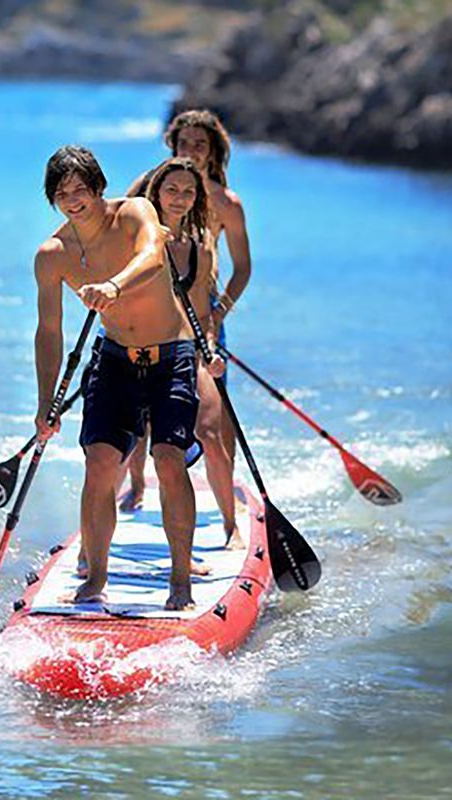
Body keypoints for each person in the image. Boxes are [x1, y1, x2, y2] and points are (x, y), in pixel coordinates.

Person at [34, 145, 220, 611]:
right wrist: (46, 402)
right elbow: (49, 331)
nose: (73, 200)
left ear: (98, 188)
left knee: (168, 460)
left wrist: (113, 286)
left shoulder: (136, 212)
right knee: (98, 464)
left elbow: (153, 257)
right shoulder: (53, 254)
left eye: (81, 189)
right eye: (62, 193)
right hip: (115, 358)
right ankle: (95, 576)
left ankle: (180, 582)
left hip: (171, 354)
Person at [122, 110, 252, 545]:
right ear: (173, 147)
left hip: (203, 311)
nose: (192, 151)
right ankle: (136, 485)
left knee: (215, 418)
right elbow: (120, 235)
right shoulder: (149, 187)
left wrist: (217, 316)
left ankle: (229, 510)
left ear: (213, 151)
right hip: (153, 309)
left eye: (201, 145)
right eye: (185, 144)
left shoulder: (224, 204)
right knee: (140, 412)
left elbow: (242, 269)